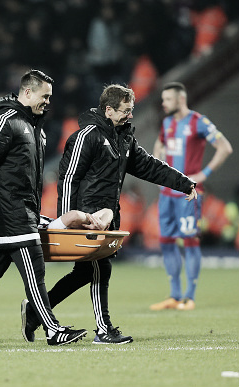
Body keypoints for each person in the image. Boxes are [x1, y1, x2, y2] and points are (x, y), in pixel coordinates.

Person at [22, 84, 198, 345]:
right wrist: (68, 219)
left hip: (107, 217)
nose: (130, 115)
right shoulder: (87, 136)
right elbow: (69, 179)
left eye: (131, 110)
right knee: (99, 270)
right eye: (126, 111)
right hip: (86, 219)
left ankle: (37, 311)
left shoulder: (123, 138)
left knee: (85, 273)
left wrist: (184, 183)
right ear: (108, 110)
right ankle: (103, 330)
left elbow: (150, 166)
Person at [0, 69, 87, 346]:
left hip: (20, 211)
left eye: (50, 96)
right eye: (44, 95)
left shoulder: (34, 126)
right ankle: (52, 329)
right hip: (10, 211)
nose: (48, 101)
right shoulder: (7, 120)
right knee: (34, 270)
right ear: (27, 92)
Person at [149, 82, 232, 311]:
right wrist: (157, 162)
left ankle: (189, 297)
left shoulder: (198, 122)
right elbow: (160, 145)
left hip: (188, 193)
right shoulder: (167, 123)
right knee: (166, 242)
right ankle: (175, 296)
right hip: (166, 194)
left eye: (167, 99)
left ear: (180, 99)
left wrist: (203, 174)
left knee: (190, 241)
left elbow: (225, 147)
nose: (164, 104)